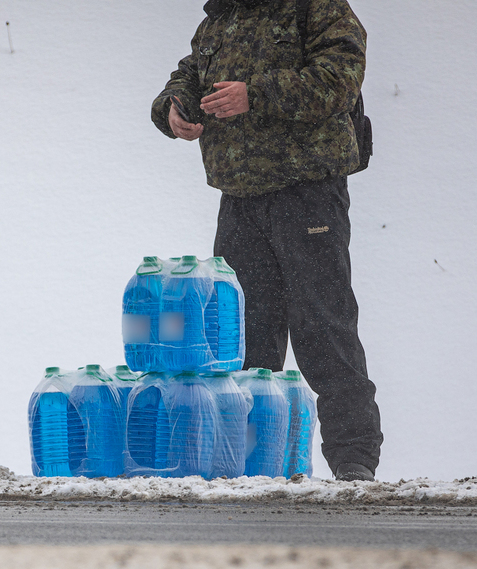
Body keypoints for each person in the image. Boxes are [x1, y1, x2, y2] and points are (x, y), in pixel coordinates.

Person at [151, 0, 382, 481]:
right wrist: (174, 108)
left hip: (307, 191)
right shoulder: (219, 19)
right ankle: (252, 463)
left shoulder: (315, 8)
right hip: (239, 197)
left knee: (323, 324)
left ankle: (353, 460)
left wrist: (255, 94)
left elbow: (339, 77)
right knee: (242, 337)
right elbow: (188, 75)